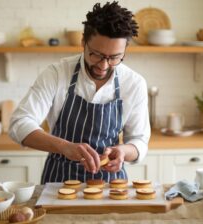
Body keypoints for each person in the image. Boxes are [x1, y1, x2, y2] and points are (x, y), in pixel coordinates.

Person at [9, 1, 150, 184]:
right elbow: (19, 124)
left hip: (110, 186)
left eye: (114, 57)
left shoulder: (134, 83)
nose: (103, 65)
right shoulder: (57, 73)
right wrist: (64, 146)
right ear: (83, 42)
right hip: (58, 182)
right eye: (96, 54)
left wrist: (123, 152)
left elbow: (139, 140)